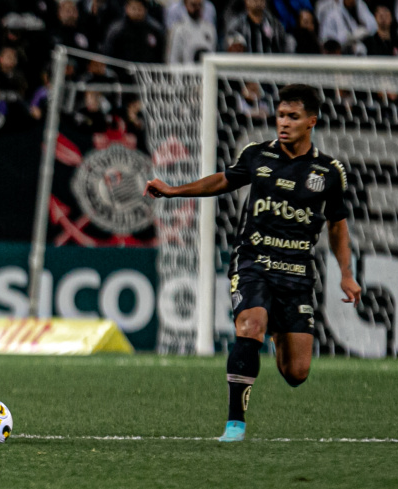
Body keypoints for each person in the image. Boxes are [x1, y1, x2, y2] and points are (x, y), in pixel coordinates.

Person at [144, 84, 361, 442]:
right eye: (280, 115)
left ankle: (276, 327)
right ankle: (235, 424)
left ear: (311, 122)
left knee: (296, 372)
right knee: (250, 325)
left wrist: (346, 274)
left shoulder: (328, 171)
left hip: (297, 271)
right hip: (253, 260)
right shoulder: (257, 155)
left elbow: (338, 226)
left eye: (293, 117)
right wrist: (173, 190)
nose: (284, 123)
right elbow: (222, 180)